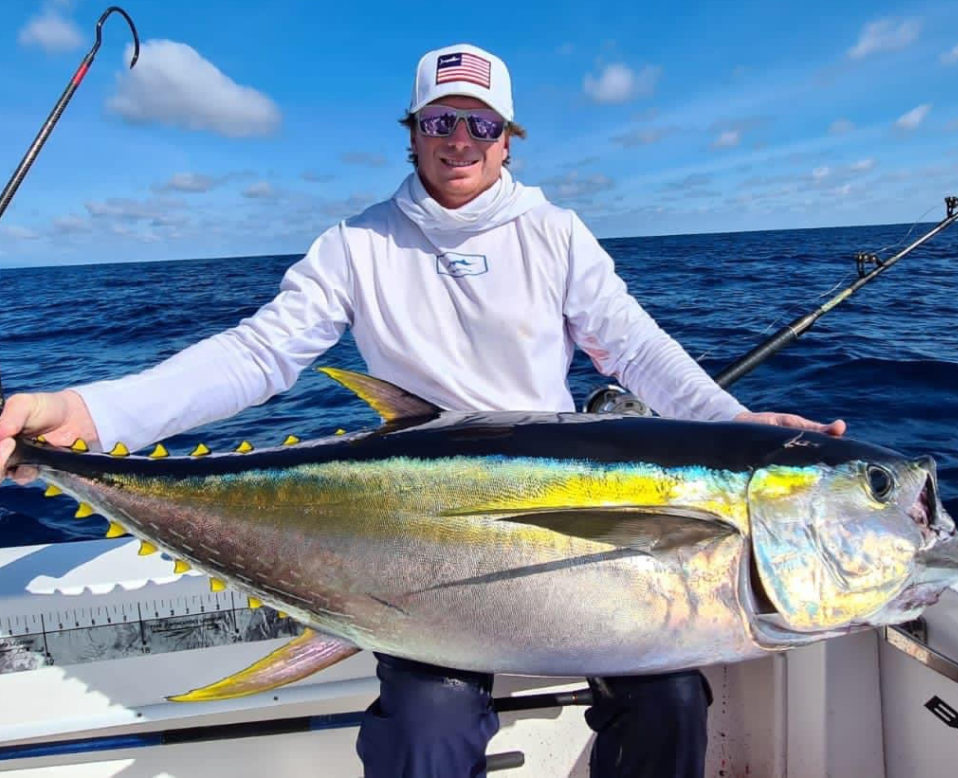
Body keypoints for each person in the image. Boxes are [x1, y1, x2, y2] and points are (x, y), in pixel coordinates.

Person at [0, 43, 844, 778]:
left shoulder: (555, 233)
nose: (460, 142)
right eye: (441, 121)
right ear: (411, 130)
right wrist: (87, 413)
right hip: (407, 526)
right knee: (424, 727)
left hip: (562, 524)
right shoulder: (356, 244)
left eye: (480, 124)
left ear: (508, 140)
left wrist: (739, 426)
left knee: (669, 706)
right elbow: (258, 354)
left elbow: (635, 349)